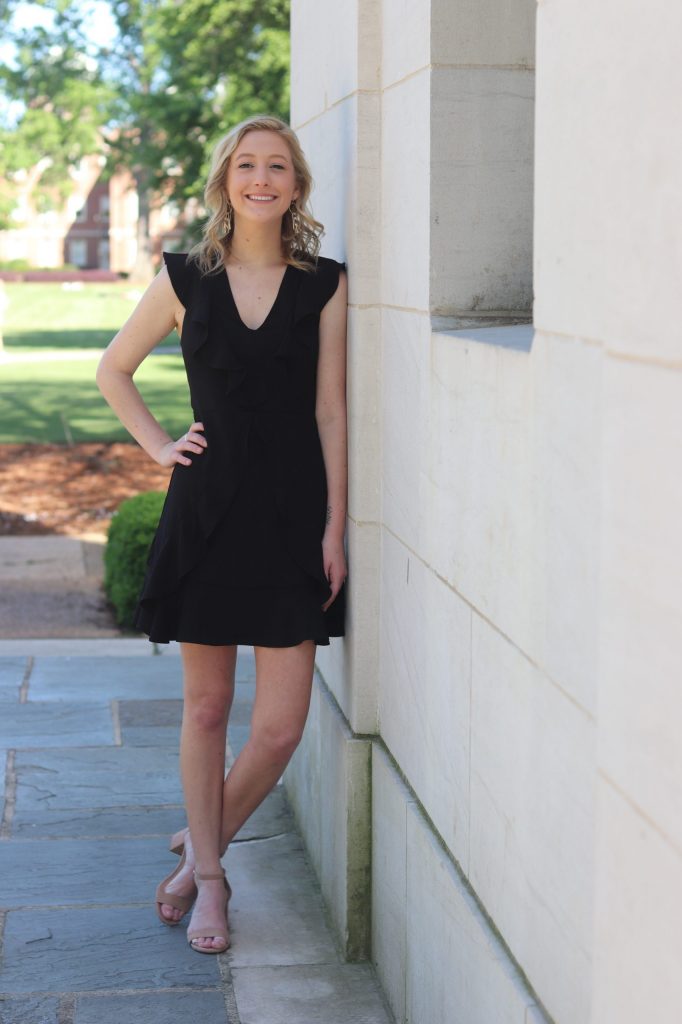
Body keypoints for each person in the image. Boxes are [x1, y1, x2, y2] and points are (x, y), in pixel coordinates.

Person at [95, 114, 348, 954]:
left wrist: (334, 527)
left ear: (296, 186)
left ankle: (196, 848)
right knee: (206, 709)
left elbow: (329, 412)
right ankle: (208, 881)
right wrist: (161, 446)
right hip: (206, 514)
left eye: (278, 166)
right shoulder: (184, 278)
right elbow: (114, 370)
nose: (262, 179)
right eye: (247, 164)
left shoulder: (325, 285)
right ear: (226, 181)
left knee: (278, 727)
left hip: (288, 520)